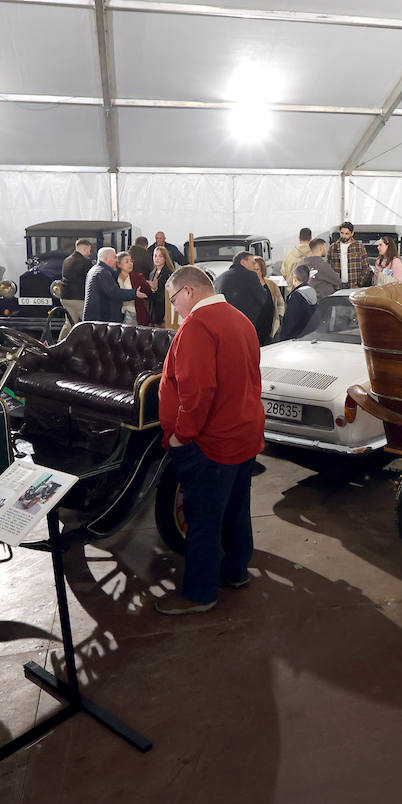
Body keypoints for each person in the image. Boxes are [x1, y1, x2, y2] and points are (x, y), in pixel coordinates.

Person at [155, 265, 265, 615]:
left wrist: (180, 436)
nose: (175, 309)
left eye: (173, 299)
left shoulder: (197, 326)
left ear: (188, 291)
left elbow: (197, 391)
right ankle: (236, 572)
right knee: (236, 508)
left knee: (202, 519)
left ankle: (199, 594)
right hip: (244, 433)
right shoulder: (240, 319)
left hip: (211, 441)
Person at [214, 251, 270, 344]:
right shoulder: (251, 275)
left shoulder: (219, 278)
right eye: (252, 263)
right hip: (245, 326)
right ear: (243, 262)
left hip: (223, 327)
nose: (253, 267)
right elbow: (262, 299)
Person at [83, 247, 145, 323]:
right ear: (106, 259)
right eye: (114, 257)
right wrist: (134, 293)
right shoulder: (102, 272)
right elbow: (114, 292)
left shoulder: (96, 269)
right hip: (102, 318)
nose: (116, 260)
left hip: (98, 317)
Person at [58, 238, 95, 339]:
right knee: (87, 324)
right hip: (79, 298)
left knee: (69, 323)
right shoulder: (85, 262)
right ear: (84, 248)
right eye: (89, 250)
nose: (89, 253)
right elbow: (91, 279)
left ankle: (59, 344)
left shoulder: (67, 260)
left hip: (65, 297)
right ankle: (88, 347)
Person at [279, 265, 318, 341]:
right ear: (308, 279)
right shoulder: (312, 292)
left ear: (294, 278)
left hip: (296, 339)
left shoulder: (296, 296)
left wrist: (283, 338)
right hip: (310, 337)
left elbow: (291, 321)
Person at [250, 255, 284, 339]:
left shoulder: (271, 284)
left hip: (270, 326)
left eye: (257, 269)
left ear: (262, 270)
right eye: (252, 270)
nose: (254, 272)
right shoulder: (248, 285)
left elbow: (280, 303)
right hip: (254, 326)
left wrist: (279, 317)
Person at [328, 223, 370, 289]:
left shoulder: (359, 247)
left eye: (346, 234)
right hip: (337, 286)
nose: (343, 236)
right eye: (342, 233)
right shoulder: (333, 247)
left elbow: (366, 268)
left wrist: (359, 284)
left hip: (354, 285)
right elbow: (328, 267)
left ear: (352, 233)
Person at [115, 251, 152, 325]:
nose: (130, 264)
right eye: (126, 261)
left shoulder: (137, 277)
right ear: (119, 264)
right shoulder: (114, 278)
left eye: (131, 261)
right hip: (119, 315)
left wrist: (153, 287)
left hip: (136, 314)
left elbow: (148, 292)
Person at [147, 245, 178, 327]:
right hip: (153, 311)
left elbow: (170, 296)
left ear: (165, 258)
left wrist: (167, 314)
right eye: (155, 256)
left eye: (160, 256)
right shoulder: (152, 273)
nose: (157, 258)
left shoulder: (169, 274)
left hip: (164, 311)